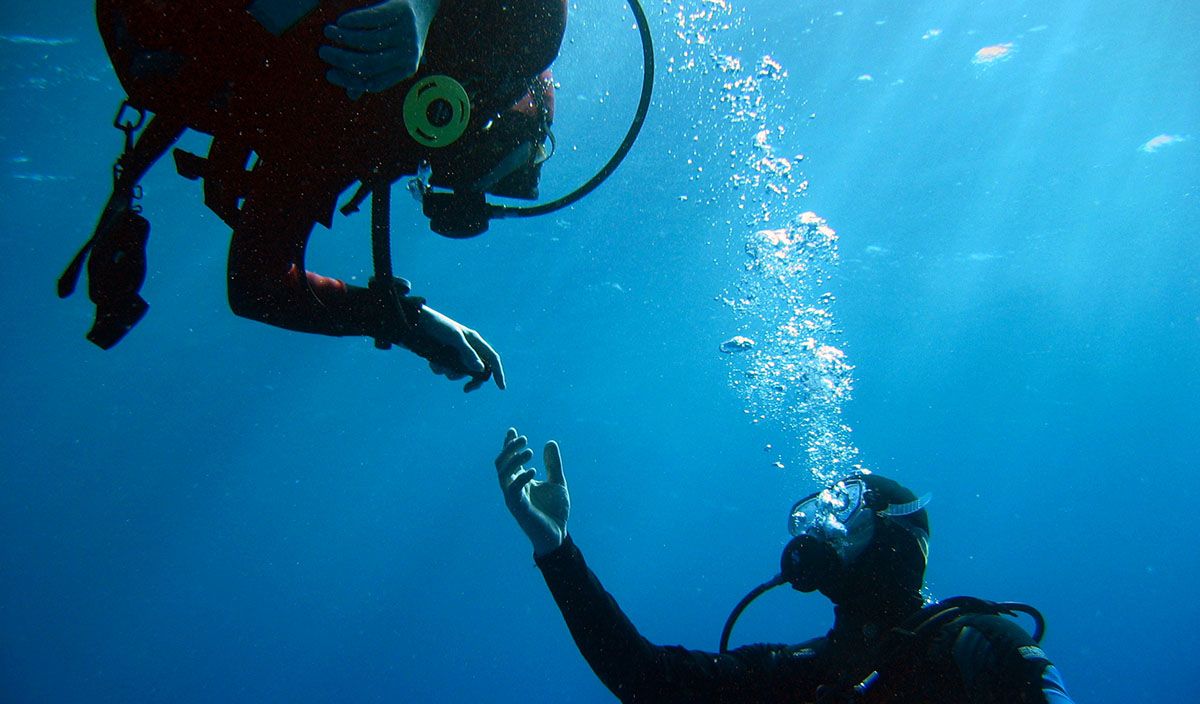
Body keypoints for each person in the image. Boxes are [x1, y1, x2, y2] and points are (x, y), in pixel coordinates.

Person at [60, 1, 569, 391]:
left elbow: (257, 286)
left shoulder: (351, 128)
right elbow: (257, 289)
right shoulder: (525, 35)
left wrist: (403, 319)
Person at [494, 428, 1076, 703]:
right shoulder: (811, 669)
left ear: (898, 542)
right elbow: (646, 680)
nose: (824, 531)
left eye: (846, 517)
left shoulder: (976, 642)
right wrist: (558, 550)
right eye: (821, 516)